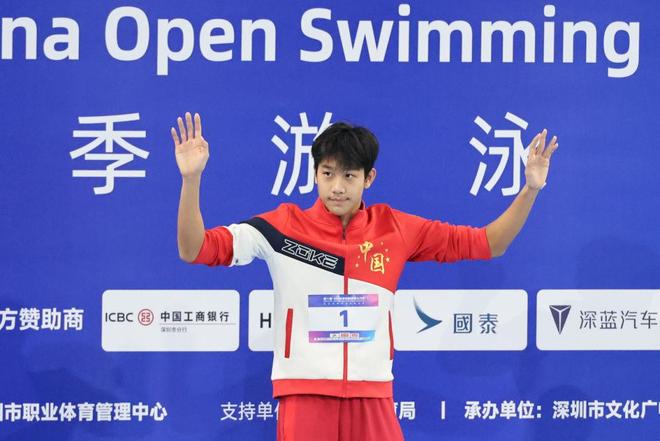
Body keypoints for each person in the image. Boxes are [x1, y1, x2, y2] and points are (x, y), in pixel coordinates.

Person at [171, 111, 559, 441]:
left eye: (349, 176)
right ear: (315, 173)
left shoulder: (396, 228)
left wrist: (530, 189)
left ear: (368, 178)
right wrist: (191, 180)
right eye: (327, 174)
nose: (337, 187)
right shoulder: (281, 228)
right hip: (304, 393)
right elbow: (195, 249)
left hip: (372, 394)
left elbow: (490, 243)